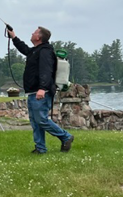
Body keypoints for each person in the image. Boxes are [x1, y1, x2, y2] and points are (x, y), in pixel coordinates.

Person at [8, 26, 74, 154]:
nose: (32, 33)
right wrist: (14, 37)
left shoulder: (45, 51)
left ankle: (66, 137)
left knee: (41, 120)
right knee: (35, 122)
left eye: (34, 32)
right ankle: (40, 148)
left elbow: (46, 70)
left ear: (39, 37)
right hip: (33, 91)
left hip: (40, 92)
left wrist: (42, 88)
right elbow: (25, 49)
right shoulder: (37, 50)